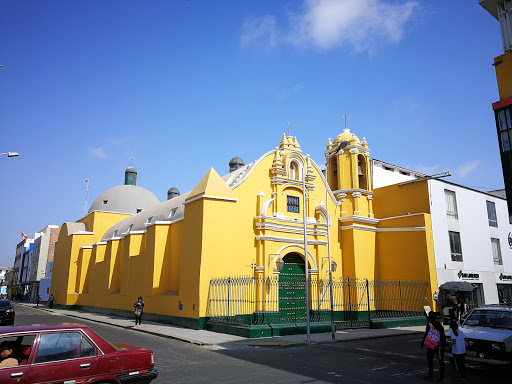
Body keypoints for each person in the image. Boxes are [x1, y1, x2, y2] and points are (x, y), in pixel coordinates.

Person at [421, 311, 446, 382]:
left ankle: (430, 375)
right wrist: (443, 345)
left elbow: (426, 334)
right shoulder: (440, 325)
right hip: (439, 346)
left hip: (431, 345)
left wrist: (423, 343)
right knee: (441, 362)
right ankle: (441, 377)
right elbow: (443, 336)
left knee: (430, 360)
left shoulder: (429, 325)